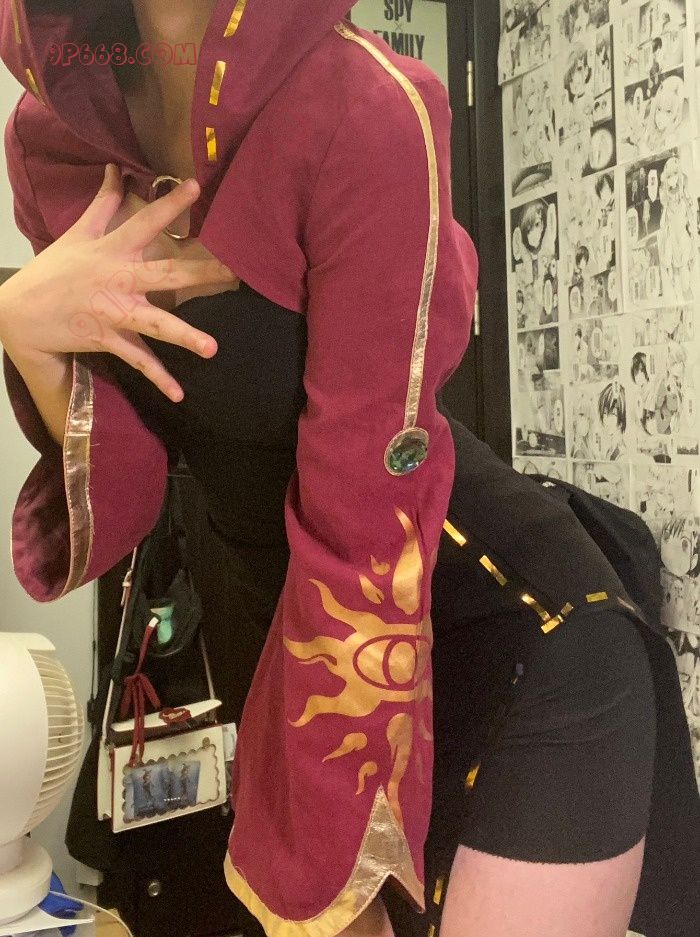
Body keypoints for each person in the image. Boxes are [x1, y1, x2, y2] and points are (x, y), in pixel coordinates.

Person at [0, 3, 696, 937]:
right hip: (275, 627)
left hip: (485, 630)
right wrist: (23, 325)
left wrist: (330, 880)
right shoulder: (60, 136)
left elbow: (368, 523)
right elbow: (129, 475)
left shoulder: (364, 111)